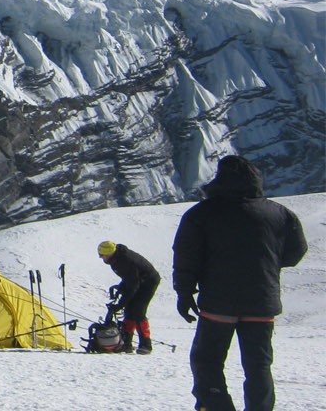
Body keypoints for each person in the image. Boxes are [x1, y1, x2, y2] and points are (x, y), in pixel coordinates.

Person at [173, 155, 308, 411]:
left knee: (207, 361)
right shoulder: (280, 214)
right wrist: (267, 264)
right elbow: (296, 252)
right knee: (258, 365)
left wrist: (184, 293)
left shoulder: (202, 213)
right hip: (261, 301)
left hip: (218, 303)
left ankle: (216, 405)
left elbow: (186, 256)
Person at [98, 240, 161, 354]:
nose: (101, 258)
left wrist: (120, 305)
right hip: (139, 281)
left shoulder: (125, 260)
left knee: (138, 311)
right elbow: (129, 278)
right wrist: (121, 288)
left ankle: (146, 345)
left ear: (109, 253)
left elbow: (133, 285)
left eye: (102, 255)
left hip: (149, 282)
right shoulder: (117, 259)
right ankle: (126, 343)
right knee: (129, 311)